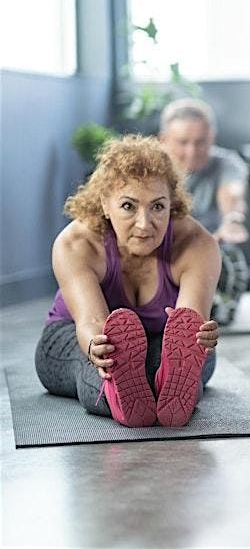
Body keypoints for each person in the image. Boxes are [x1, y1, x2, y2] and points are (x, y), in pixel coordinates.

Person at [36, 135, 222, 428]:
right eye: (128, 206)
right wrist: (100, 351)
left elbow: (188, 323)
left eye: (158, 207)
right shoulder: (77, 243)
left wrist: (200, 338)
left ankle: (164, 389)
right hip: (76, 336)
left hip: (162, 339)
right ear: (104, 204)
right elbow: (91, 322)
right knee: (102, 366)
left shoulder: (196, 244)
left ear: (171, 203)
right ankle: (126, 395)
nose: (144, 224)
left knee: (183, 363)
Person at [159, 98, 250, 323]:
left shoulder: (228, 164)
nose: (191, 151)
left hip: (209, 251)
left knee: (228, 254)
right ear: (163, 140)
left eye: (200, 143)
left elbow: (232, 193)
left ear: (212, 138)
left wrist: (233, 220)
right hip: (160, 252)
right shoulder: (151, 168)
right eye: (182, 142)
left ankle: (218, 307)